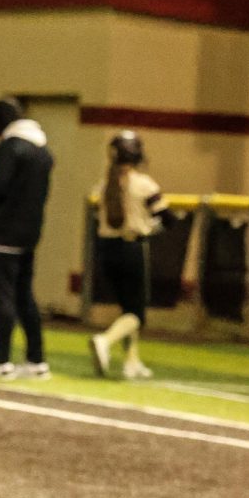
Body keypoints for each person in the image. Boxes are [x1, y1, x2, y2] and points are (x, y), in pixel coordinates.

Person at [0, 97, 53, 381]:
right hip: (29, 234)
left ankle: (1, 360)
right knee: (25, 297)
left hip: (2, 233)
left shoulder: (9, 148)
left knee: (3, 298)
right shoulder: (43, 151)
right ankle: (36, 360)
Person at [88, 130, 172, 380]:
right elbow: (167, 219)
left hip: (106, 249)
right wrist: (149, 228)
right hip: (131, 248)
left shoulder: (105, 185)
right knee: (136, 314)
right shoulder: (143, 184)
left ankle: (131, 362)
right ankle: (105, 340)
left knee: (126, 308)